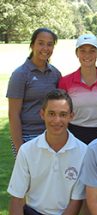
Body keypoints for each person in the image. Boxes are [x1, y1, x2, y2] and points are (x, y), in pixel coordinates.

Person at [7, 89, 87, 215]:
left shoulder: (84, 152)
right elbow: (17, 199)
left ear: (71, 116)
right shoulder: (27, 150)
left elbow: (76, 201)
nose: (56, 120)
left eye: (63, 114)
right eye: (51, 114)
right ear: (42, 114)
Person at [6, 28, 61, 157]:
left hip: (50, 136)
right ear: (32, 45)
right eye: (41, 43)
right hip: (27, 138)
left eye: (50, 44)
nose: (45, 48)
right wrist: (20, 148)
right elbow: (13, 114)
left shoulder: (56, 74)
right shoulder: (20, 74)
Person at [58, 34, 97, 144]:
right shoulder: (65, 81)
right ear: (76, 53)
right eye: (82, 50)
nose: (87, 55)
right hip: (75, 134)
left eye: (92, 51)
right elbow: (62, 112)